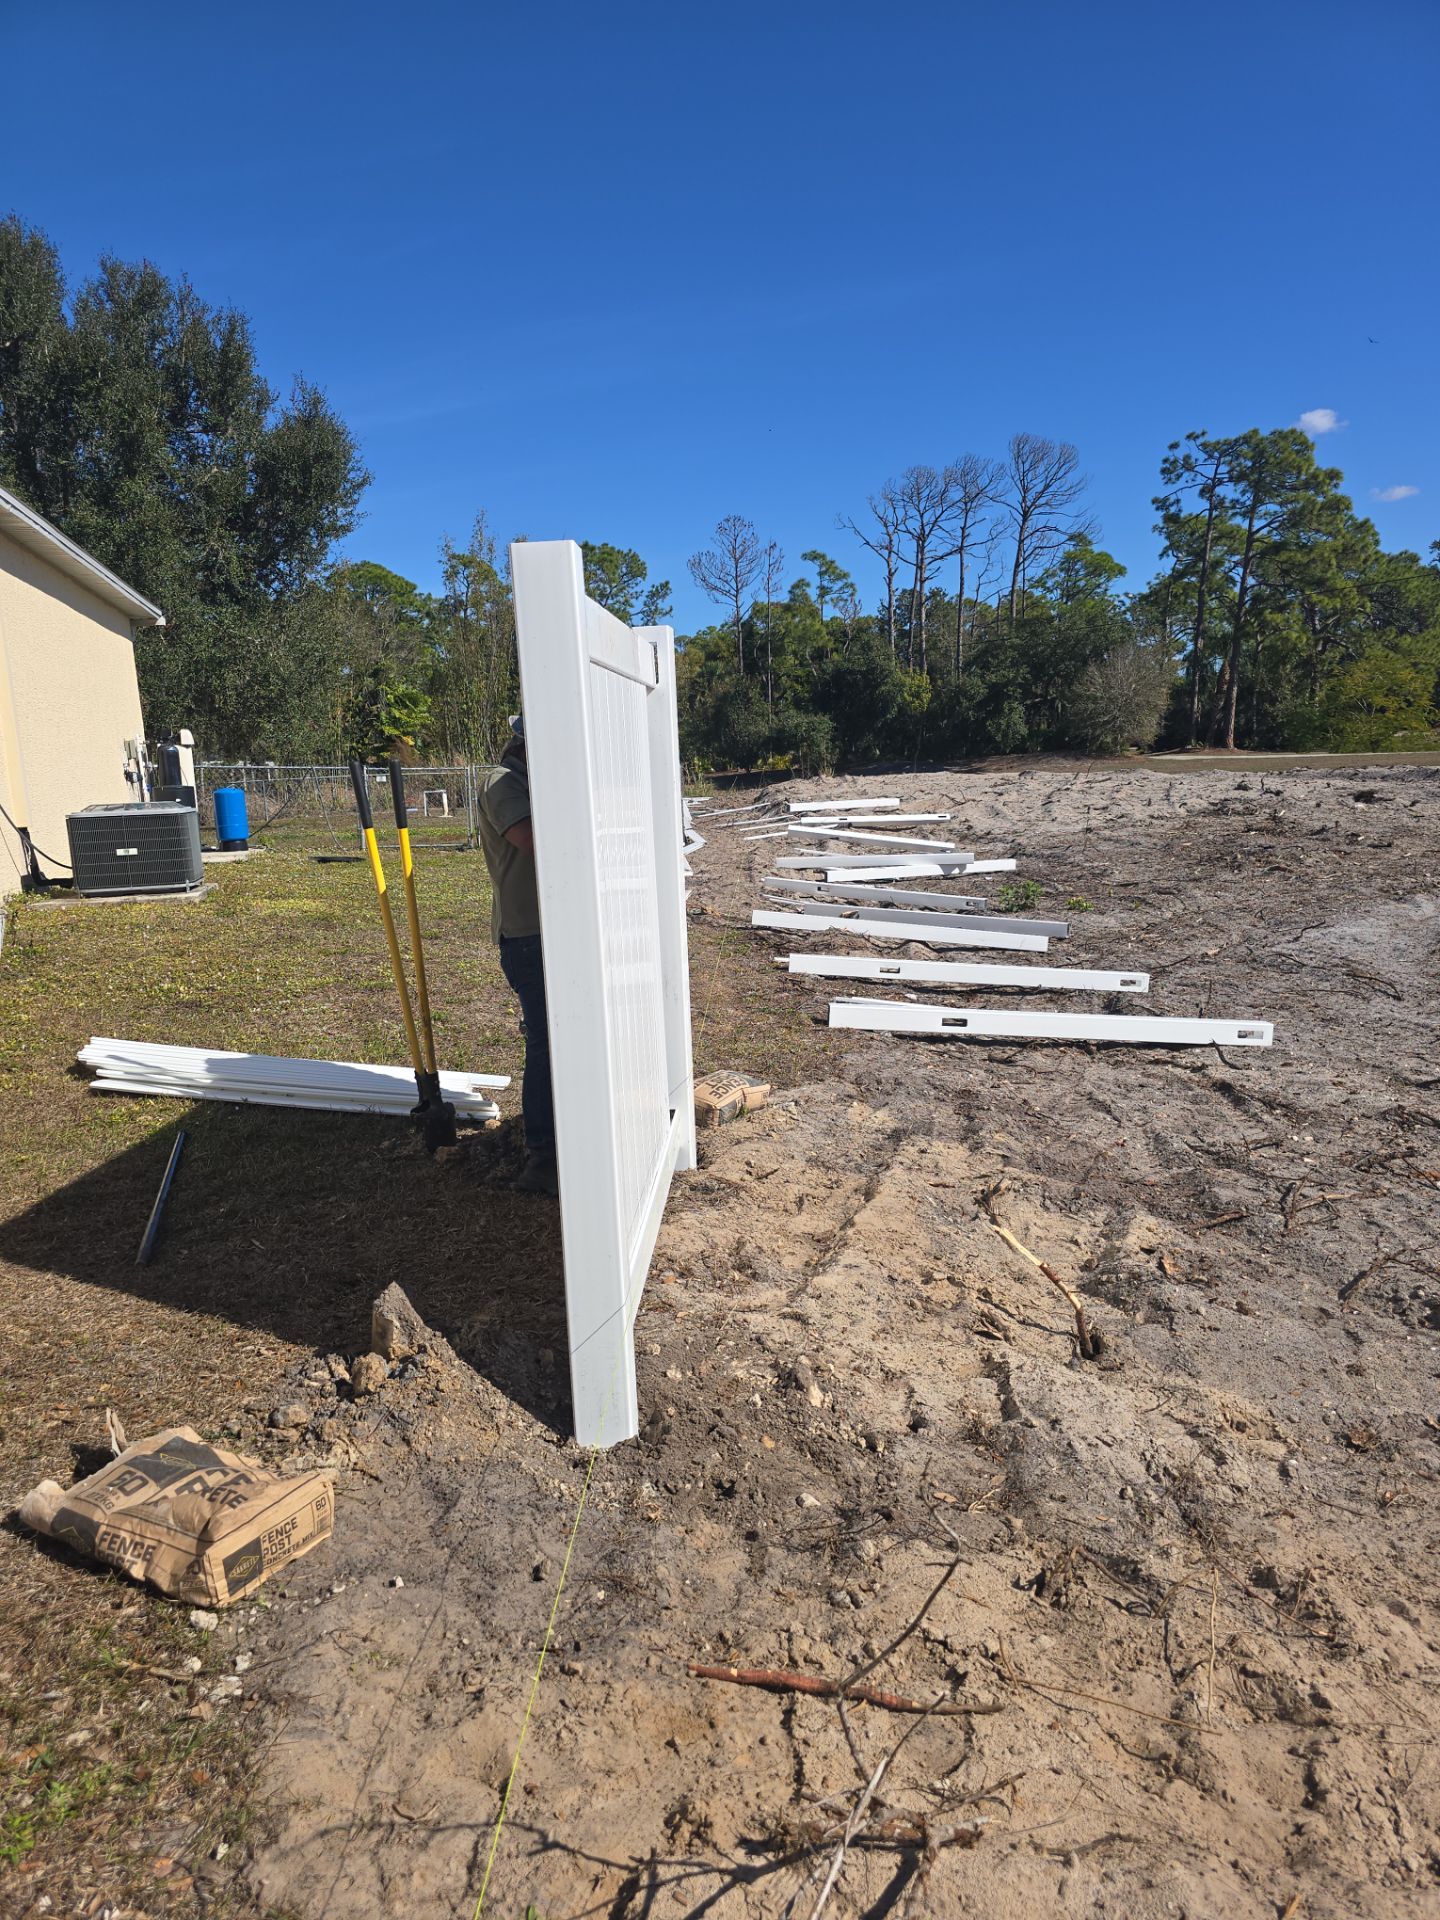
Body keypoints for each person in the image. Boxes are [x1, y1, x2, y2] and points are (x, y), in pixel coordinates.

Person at [477, 716, 557, 1195]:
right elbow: (535, 842)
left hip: (555, 934)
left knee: (563, 1044)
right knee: (547, 1047)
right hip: (529, 938)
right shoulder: (503, 783)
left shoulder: (534, 783)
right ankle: (544, 1161)